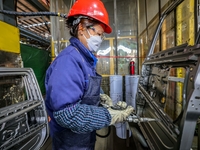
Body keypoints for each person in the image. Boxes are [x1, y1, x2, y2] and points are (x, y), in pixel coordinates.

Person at [45, 0, 134, 149]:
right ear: (81, 27)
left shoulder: (84, 59)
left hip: (84, 139)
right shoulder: (69, 61)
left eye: (101, 36)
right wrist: (107, 115)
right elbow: (67, 114)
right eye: (97, 33)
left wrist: (101, 98)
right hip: (70, 144)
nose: (99, 39)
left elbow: (83, 88)